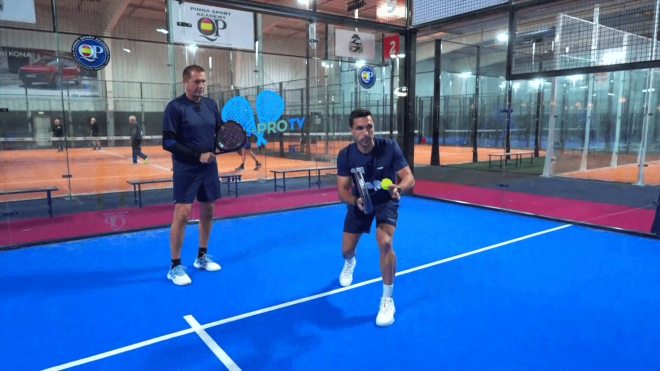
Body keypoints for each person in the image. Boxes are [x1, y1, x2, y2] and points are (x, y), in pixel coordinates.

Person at [336, 108, 415, 327]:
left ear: (373, 127)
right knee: (345, 250)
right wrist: (355, 202)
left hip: (386, 200)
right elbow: (342, 190)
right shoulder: (345, 155)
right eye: (359, 128)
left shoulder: (389, 147)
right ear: (352, 130)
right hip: (359, 202)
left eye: (369, 127)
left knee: (385, 243)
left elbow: (409, 177)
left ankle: (387, 299)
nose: (365, 132)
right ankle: (351, 261)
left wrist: (398, 187)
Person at [162, 65, 222, 286]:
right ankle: (175, 266)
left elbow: (220, 132)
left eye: (204, 81)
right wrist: (197, 155)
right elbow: (167, 142)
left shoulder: (211, 105)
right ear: (185, 82)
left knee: (209, 211)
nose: (201, 86)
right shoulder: (175, 107)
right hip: (186, 168)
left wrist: (226, 144)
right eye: (197, 81)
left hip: (209, 167)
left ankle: (201, 257)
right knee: (183, 214)